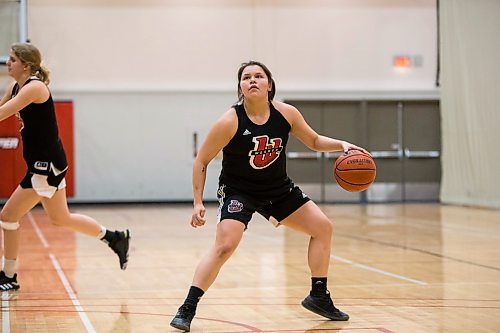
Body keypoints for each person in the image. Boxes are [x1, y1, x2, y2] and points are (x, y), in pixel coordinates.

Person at [170, 60, 369, 331]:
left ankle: (319, 296)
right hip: (239, 190)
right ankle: (187, 307)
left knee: (323, 228)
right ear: (240, 87)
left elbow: (313, 141)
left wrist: (341, 145)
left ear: (269, 85)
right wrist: (197, 203)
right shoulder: (229, 120)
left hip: (278, 189)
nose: (253, 80)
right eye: (246, 77)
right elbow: (201, 161)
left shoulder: (286, 114)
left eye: (259, 76)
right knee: (225, 245)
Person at [0, 43, 130, 291]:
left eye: (13, 59)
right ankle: (114, 237)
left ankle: (8, 275)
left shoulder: (34, 88)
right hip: (46, 162)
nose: (8, 62)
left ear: (26, 65)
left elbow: (3, 114)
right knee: (60, 218)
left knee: (8, 215)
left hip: (45, 165)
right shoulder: (15, 87)